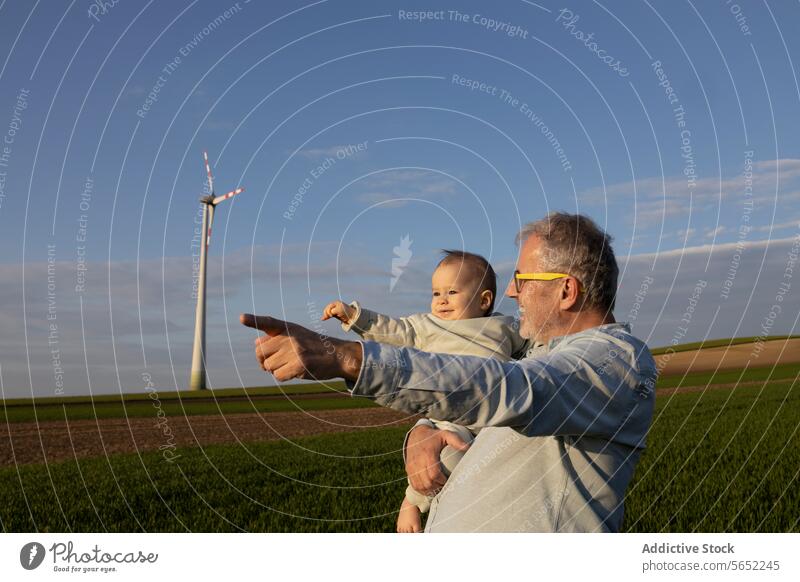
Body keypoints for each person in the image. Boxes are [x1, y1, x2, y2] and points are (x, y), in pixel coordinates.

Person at [241, 212, 658, 532]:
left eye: (523, 279)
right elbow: (472, 391)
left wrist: (351, 359)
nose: (512, 292)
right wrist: (422, 431)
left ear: (567, 290)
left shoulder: (612, 361)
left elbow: (502, 389)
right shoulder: (536, 352)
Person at [320, 250, 532, 532]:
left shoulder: (504, 326)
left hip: (492, 415)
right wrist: (355, 316)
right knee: (447, 457)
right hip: (447, 418)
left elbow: (535, 342)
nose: (441, 300)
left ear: (485, 300)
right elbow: (394, 331)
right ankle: (412, 501)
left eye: (452, 291)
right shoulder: (427, 325)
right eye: (435, 293)